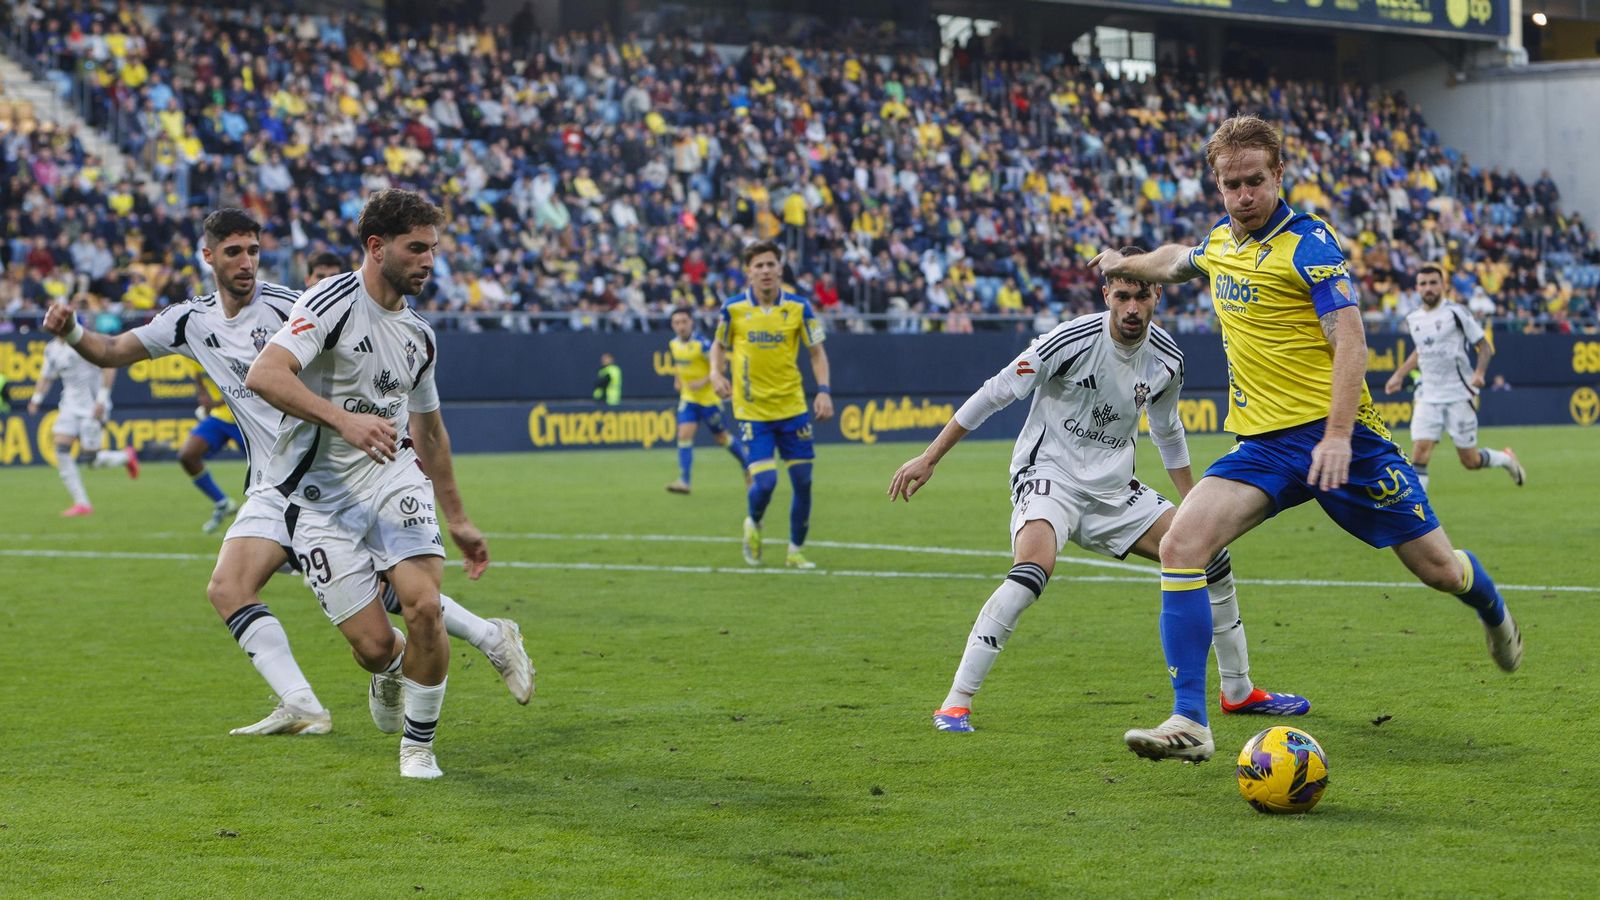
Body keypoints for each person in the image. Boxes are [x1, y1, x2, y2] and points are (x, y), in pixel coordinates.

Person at [1091, 116, 1521, 763]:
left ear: (1278, 174)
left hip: (1345, 441)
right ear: (1217, 184)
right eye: (1231, 184)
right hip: (1264, 446)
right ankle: (1190, 721)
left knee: (1439, 570)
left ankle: (1491, 608)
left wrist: (1340, 433)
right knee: (1181, 544)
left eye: (1254, 181)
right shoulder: (1220, 243)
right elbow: (1174, 261)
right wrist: (1121, 262)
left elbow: (1351, 339)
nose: (1243, 196)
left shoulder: (1310, 244)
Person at [44, 207, 532, 744]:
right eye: (234, 252)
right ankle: (305, 702)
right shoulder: (189, 321)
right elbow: (112, 351)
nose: (246, 262)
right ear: (208, 256)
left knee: (392, 594)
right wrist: (73, 331)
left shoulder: (288, 305)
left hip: (334, 476)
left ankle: (482, 640)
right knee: (230, 587)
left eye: (254, 251)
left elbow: (355, 334)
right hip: (272, 484)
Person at [890, 248, 1309, 733]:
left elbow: (1168, 432)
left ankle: (1237, 690)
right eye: (1123, 295)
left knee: (1210, 555)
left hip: (1114, 491)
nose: (1132, 308)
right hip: (1050, 478)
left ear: (1158, 294)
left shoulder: (1167, 359)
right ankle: (956, 702)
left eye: (1142, 296)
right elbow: (995, 392)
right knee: (1030, 573)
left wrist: (1195, 504)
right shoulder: (1069, 340)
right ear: (1106, 293)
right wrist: (930, 457)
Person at [245, 189, 491, 779]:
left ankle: (418, 747)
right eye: (416, 248)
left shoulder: (420, 335)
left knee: (424, 606)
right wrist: (344, 420)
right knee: (376, 647)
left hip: (391, 476)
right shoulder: (329, 302)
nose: (428, 261)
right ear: (377, 247)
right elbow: (265, 374)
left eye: (433, 249)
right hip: (317, 498)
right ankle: (390, 671)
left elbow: (429, 431)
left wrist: (459, 518)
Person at [710, 240, 833, 569]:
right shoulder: (733, 309)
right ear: (748, 272)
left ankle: (795, 551)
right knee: (765, 483)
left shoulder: (799, 308)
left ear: (780, 269)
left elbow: (817, 353)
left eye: (770, 264)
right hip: (753, 411)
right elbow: (718, 346)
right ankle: (753, 521)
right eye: (758, 265)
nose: (765, 270)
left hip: (793, 408)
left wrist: (823, 391)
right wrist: (715, 373)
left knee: (803, 481)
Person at [1384, 265, 1524, 489]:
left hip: (1458, 394)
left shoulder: (1456, 312)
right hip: (1428, 394)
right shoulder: (1414, 318)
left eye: (1433, 283)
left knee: (1470, 461)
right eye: (1423, 284)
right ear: (1417, 288)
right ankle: (1418, 510)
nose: (1428, 288)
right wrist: (1399, 375)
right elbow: (1421, 350)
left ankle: (1506, 459)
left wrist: (1479, 373)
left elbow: (1484, 346)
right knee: (1419, 454)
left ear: (1443, 286)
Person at [28, 334, 139, 516]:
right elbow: (46, 376)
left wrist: (102, 399)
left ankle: (126, 457)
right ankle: (82, 504)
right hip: (69, 406)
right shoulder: (51, 349)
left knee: (91, 460)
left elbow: (109, 366)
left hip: (92, 407)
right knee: (61, 450)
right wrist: (36, 399)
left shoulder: (84, 341)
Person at [664, 306, 748, 494]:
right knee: (684, 435)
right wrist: (677, 379)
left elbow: (720, 366)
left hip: (709, 400)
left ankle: (747, 466)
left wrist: (702, 381)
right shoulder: (673, 344)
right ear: (672, 325)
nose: (680, 326)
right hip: (689, 399)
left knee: (722, 438)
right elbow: (679, 364)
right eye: (676, 323)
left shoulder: (702, 344)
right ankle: (684, 481)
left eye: (684, 322)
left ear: (691, 323)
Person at [183, 362, 246, 533]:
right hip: (220, 418)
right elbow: (198, 376)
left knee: (268, 466)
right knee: (188, 455)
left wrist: (215, 403)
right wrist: (203, 395)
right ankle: (222, 503)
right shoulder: (192, 352)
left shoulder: (229, 349)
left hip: (245, 416)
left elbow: (247, 384)